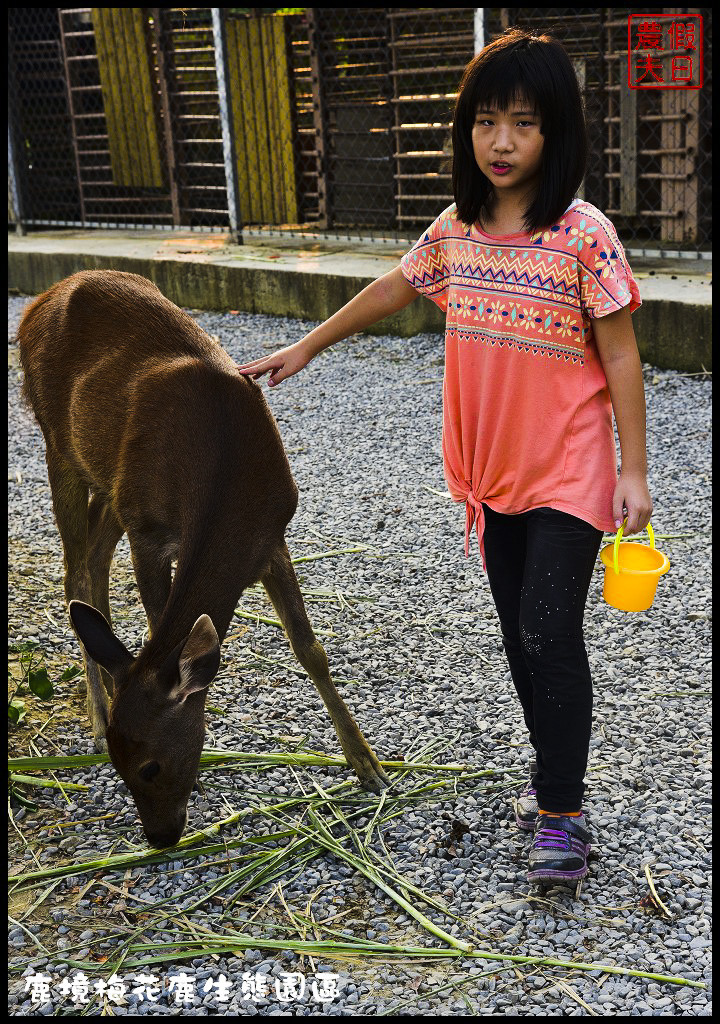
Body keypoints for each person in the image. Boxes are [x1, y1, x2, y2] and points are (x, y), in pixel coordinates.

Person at [238, 27, 653, 886]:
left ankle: (564, 815)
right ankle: (552, 787)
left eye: (525, 124)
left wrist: (635, 469)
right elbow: (397, 284)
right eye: (487, 122)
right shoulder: (459, 226)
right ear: (466, 128)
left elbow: (619, 355)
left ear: (558, 134)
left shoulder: (585, 235)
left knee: (548, 630)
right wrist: (308, 347)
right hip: (493, 476)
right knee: (516, 637)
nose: (502, 143)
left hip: (569, 472)